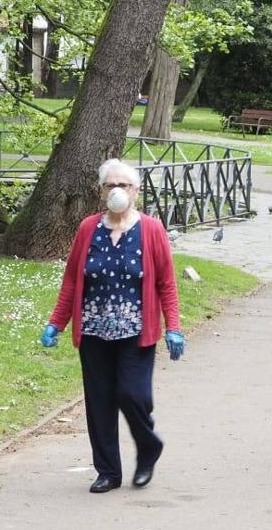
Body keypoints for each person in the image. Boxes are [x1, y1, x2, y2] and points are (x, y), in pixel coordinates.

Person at [41, 158, 185, 494]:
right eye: (110, 185)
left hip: (136, 330)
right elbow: (72, 282)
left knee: (132, 395)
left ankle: (148, 447)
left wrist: (173, 327)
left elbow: (166, 283)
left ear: (136, 191)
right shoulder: (87, 228)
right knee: (99, 401)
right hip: (93, 329)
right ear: (101, 191)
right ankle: (108, 471)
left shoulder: (151, 229)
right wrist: (56, 323)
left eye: (124, 185)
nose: (117, 190)